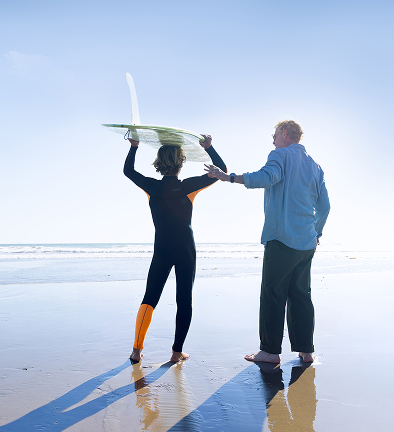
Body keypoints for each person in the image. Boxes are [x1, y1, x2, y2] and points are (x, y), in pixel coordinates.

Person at [205, 120, 329, 364]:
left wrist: (227, 177)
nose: (272, 141)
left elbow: (267, 177)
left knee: (273, 293)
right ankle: (306, 351)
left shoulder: (280, 155)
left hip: (281, 239)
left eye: (274, 135)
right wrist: (317, 234)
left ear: (284, 134)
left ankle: (270, 351)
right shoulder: (316, 167)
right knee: (301, 295)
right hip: (306, 243)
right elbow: (325, 207)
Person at [124, 134, 227, 363]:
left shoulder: (151, 186)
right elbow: (221, 172)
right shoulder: (189, 186)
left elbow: (128, 172)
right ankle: (176, 352)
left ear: (159, 163)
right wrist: (209, 148)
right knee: (184, 300)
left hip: (162, 249)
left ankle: (137, 351)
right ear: (181, 163)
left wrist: (134, 147)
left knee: (150, 297)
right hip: (185, 251)